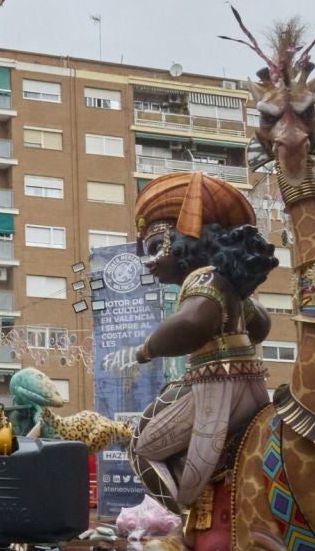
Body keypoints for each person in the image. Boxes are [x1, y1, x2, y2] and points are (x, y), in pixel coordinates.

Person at [119, 172, 278, 512]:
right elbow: (261, 326)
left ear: (182, 243)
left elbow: (194, 321)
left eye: (153, 248)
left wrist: (148, 348)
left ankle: (187, 518)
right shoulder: (228, 285)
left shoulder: (203, 280)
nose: (149, 264)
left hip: (215, 386)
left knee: (141, 447)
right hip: (251, 383)